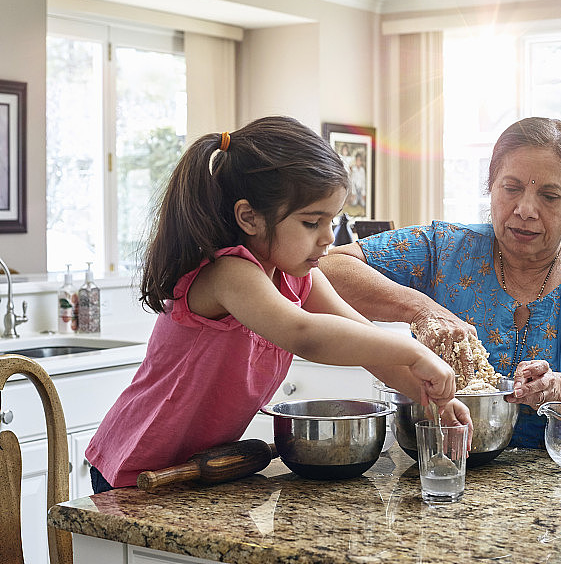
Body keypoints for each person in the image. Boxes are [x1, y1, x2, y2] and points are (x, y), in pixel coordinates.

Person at [84, 116, 470, 492]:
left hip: (200, 471)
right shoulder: (228, 274)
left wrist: (435, 401)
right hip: (136, 470)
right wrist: (415, 351)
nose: (327, 239)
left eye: (332, 221)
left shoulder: (298, 275)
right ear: (249, 217)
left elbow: (364, 340)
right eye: (310, 222)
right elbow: (306, 336)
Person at [320, 117, 561, 449]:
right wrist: (421, 309)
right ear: (491, 187)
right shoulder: (443, 249)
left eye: (549, 196)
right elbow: (328, 267)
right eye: (511, 188)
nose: (525, 209)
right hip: (456, 467)